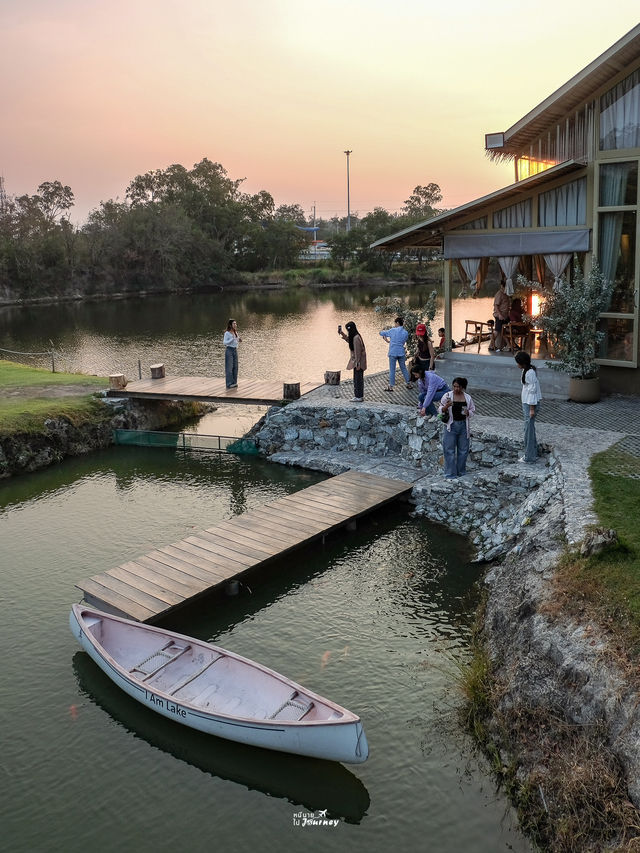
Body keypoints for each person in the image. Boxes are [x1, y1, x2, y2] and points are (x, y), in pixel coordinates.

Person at [438, 377, 476, 479]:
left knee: (463, 450)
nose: (456, 389)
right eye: (454, 386)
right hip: (451, 425)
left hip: (463, 425)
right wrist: (446, 407)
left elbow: (472, 410)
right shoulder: (447, 396)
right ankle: (450, 474)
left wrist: (469, 412)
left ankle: (461, 472)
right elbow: (440, 409)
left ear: (463, 387)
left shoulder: (467, 398)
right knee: (449, 450)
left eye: (458, 387)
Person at [515, 351, 542, 463]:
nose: (517, 365)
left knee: (528, 430)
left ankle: (529, 456)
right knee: (529, 428)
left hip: (530, 404)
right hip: (526, 403)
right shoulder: (526, 371)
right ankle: (533, 452)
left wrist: (531, 409)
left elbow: (532, 391)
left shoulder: (530, 373)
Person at [379, 317, 411, 391]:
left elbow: (382, 333)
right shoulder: (405, 332)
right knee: (403, 368)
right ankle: (408, 383)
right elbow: (402, 342)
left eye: (395, 323)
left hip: (393, 352)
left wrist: (383, 334)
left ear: (397, 323)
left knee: (392, 369)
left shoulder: (392, 330)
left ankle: (391, 386)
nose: (394, 325)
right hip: (401, 352)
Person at [338, 321, 367, 402]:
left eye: (348, 330)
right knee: (357, 378)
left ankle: (359, 396)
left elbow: (358, 352)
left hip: (358, 362)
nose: (348, 332)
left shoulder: (356, 338)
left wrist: (358, 364)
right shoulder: (354, 336)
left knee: (358, 379)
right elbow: (349, 340)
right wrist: (342, 334)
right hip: (357, 361)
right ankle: (358, 396)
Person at [489, 281, 510, 351]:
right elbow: (496, 305)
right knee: (497, 331)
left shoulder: (506, 294)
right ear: (502, 286)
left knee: (503, 331)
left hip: (505, 316)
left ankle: (509, 345)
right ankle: (491, 345)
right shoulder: (499, 294)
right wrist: (500, 315)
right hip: (499, 316)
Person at [223, 319, 241, 388]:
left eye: (236, 324)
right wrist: (232, 339)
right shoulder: (227, 333)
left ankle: (234, 382)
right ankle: (229, 384)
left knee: (235, 367)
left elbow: (236, 341)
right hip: (229, 350)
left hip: (234, 350)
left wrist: (239, 340)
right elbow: (224, 343)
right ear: (230, 325)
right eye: (234, 324)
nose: (235, 325)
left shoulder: (235, 332)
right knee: (229, 368)